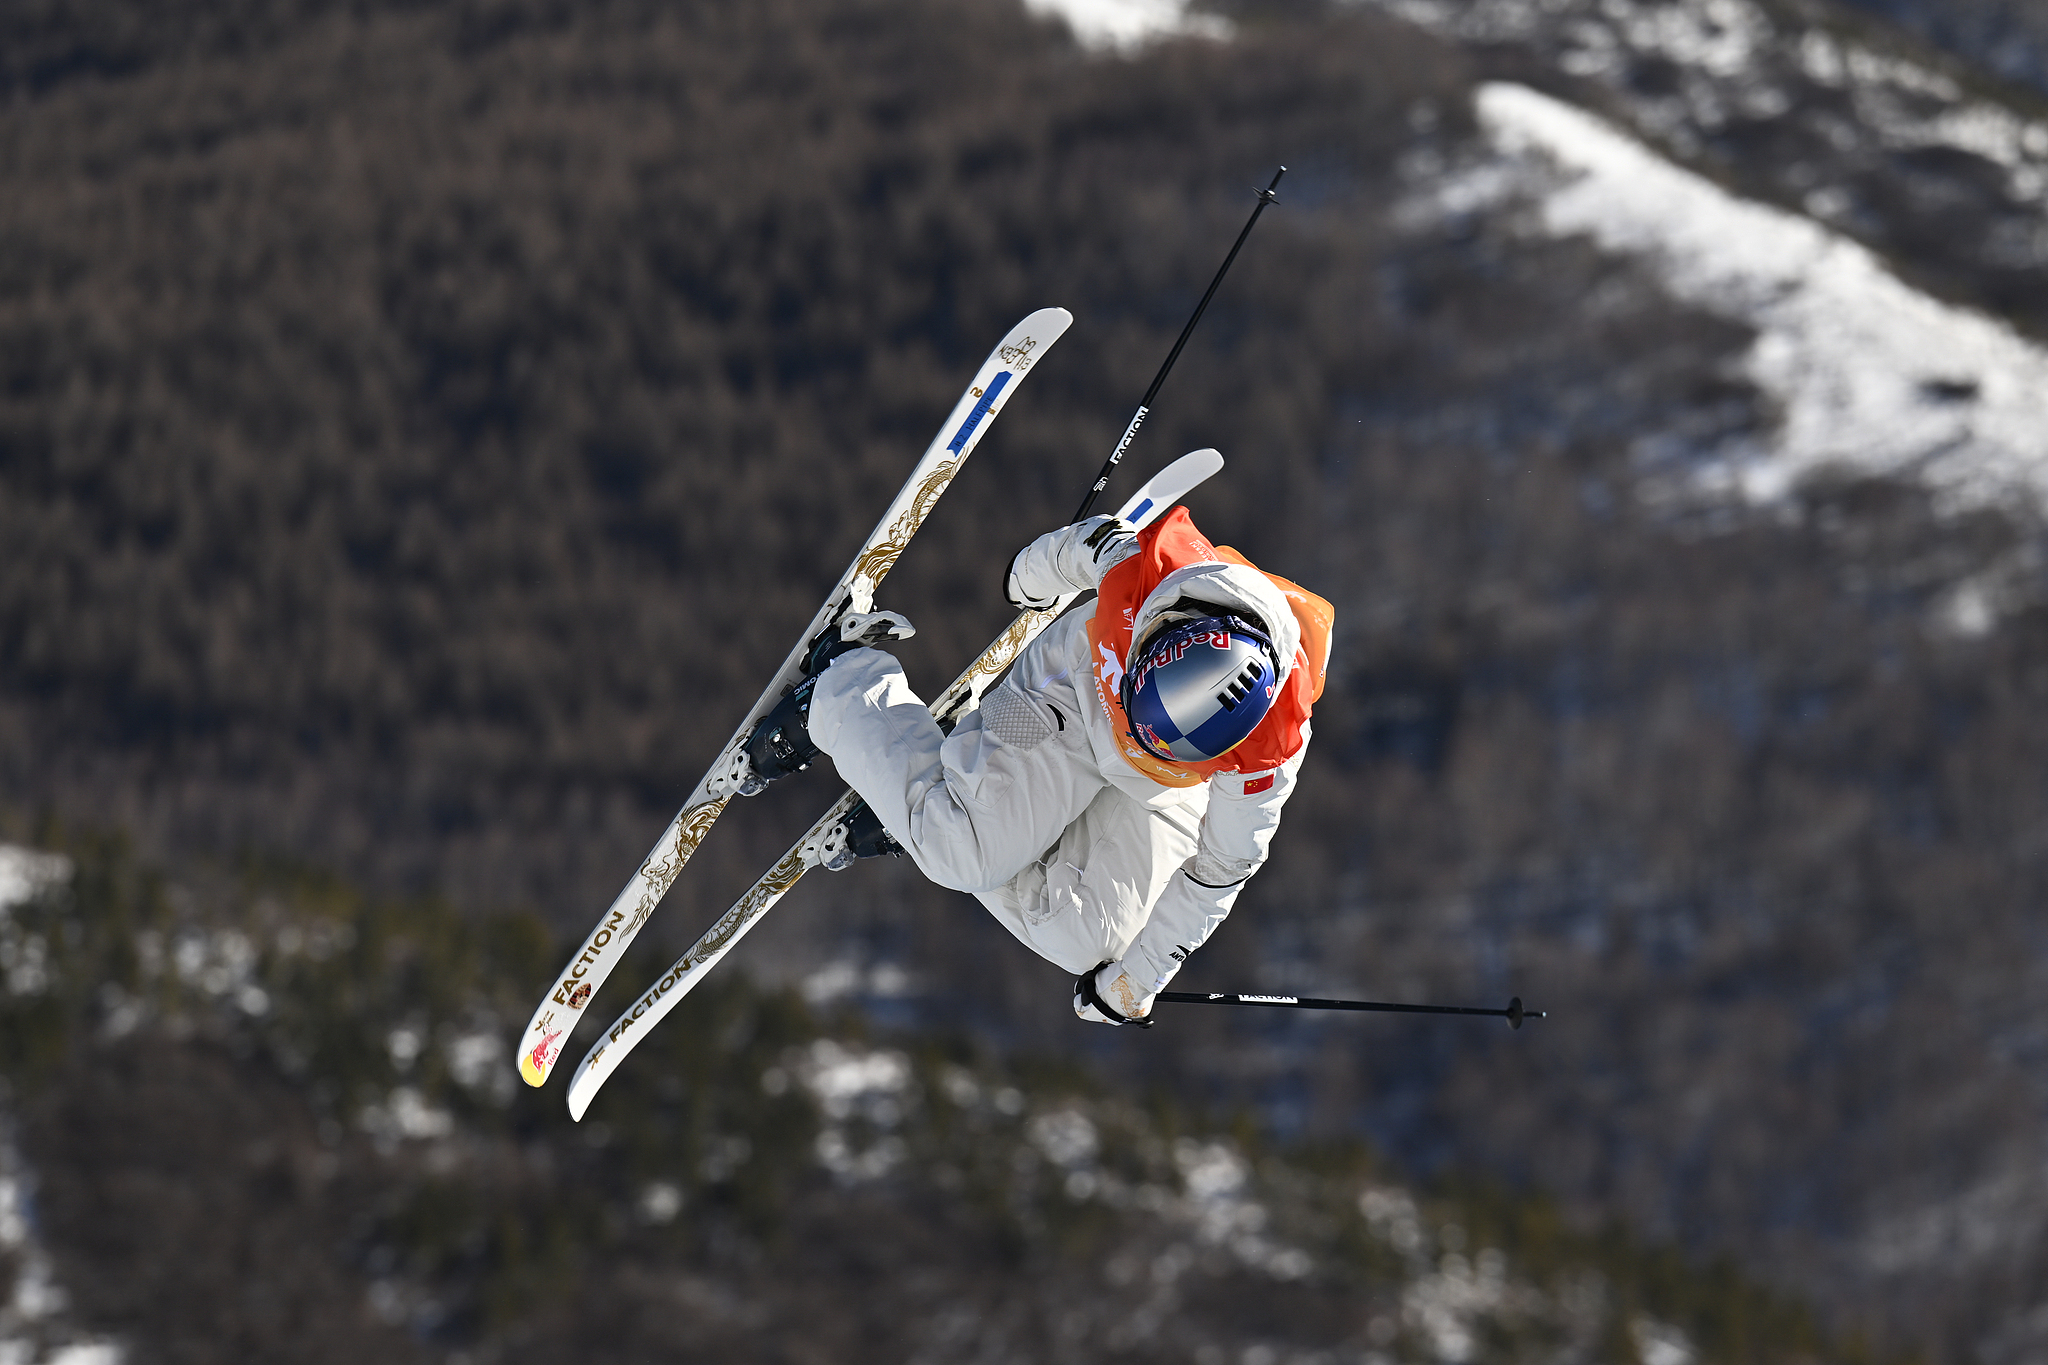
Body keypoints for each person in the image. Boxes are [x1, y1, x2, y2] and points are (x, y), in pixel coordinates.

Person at [742, 505, 1333, 1025]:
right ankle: (842, 683)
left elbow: (1218, 873)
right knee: (960, 855)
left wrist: (1136, 982)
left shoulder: (1268, 752)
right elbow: (1073, 550)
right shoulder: (1145, 574)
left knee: (1095, 943)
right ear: (1159, 639)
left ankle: (946, 798)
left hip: (1165, 784)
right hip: (1077, 697)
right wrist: (1027, 581)